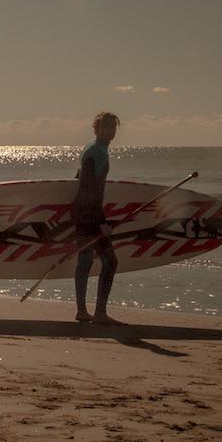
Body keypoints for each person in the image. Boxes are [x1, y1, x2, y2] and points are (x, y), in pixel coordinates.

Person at [71, 111, 121, 325]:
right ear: (97, 128)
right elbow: (88, 187)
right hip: (89, 215)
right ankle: (99, 313)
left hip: (82, 213)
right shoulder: (96, 152)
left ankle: (82, 311)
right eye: (106, 127)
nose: (110, 131)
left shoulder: (92, 149)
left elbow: (79, 177)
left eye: (113, 127)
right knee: (110, 262)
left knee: (84, 262)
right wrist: (101, 221)